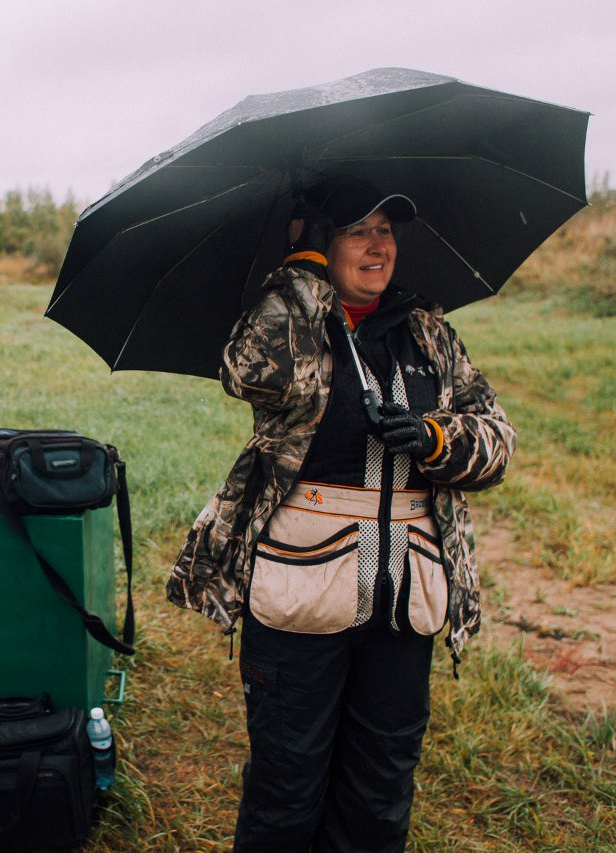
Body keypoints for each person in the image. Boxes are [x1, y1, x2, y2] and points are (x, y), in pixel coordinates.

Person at [165, 177, 516, 852]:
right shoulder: (297, 325)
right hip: (301, 598)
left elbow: (497, 440)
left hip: (402, 604)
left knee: (379, 800)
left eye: (388, 229)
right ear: (329, 242)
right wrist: (301, 272)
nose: (379, 244)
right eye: (358, 230)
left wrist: (436, 438)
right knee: (285, 793)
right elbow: (249, 372)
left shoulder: (429, 333)